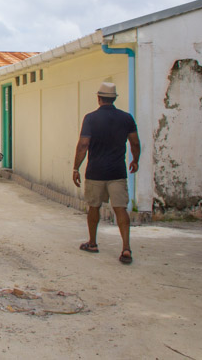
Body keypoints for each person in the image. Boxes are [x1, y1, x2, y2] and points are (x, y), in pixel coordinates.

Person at [72, 82, 140, 265]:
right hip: (117, 172)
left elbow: (83, 145)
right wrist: (135, 160)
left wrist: (76, 168)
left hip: (95, 172)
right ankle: (126, 248)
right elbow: (134, 142)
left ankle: (92, 242)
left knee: (93, 207)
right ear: (114, 98)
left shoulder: (91, 119)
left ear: (99, 98)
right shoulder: (126, 118)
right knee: (120, 209)